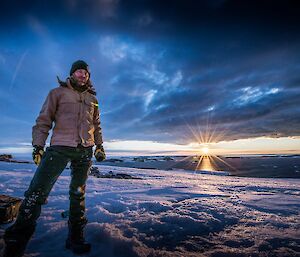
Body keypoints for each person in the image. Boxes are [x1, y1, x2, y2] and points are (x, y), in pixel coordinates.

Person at [3, 60, 106, 256]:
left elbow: (97, 124)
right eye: (79, 71)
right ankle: (15, 242)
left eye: (86, 72)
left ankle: (75, 237)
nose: (83, 75)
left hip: (85, 150)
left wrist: (99, 145)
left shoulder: (93, 99)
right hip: (59, 148)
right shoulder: (56, 93)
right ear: (72, 74)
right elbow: (44, 120)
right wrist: (38, 147)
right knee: (36, 192)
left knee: (78, 195)